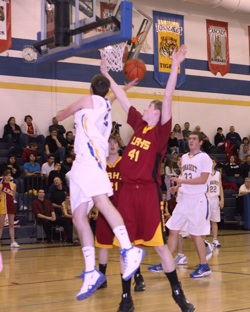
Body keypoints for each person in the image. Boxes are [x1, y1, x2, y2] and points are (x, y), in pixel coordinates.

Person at [101, 45, 194, 311]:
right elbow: (121, 96)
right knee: (125, 248)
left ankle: (179, 295)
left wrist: (175, 65)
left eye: (147, 109)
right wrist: (107, 75)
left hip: (147, 193)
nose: (143, 110)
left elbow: (167, 96)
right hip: (127, 193)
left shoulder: (160, 132)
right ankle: (125, 298)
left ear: (155, 112)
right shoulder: (140, 125)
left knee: (161, 247)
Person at [56, 73, 145, 301]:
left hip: (92, 160)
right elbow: (111, 98)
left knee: (101, 202)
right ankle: (90, 272)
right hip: (81, 165)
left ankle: (128, 248)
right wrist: (124, 86)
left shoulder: (89, 101)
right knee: (78, 217)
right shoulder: (104, 103)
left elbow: (60, 115)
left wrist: (63, 113)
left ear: (90, 88)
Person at [95, 135, 145, 292]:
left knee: (127, 245)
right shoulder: (100, 164)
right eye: (109, 142)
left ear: (119, 145)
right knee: (103, 245)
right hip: (105, 209)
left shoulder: (125, 162)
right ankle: (101, 278)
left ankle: (138, 277)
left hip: (123, 210)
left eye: (115, 142)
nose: (112, 145)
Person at [166, 131, 213, 278]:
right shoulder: (185, 157)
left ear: (200, 142)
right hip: (184, 199)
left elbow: (202, 179)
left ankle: (204, 266)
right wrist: (178, 187)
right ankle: (165, 263)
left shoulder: (205, 158)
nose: (191, 141)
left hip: (197, 200)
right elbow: (187, 176)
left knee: (196, 234)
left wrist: (181, 182)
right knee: (173, 230)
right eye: (189, 139)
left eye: (194, 139)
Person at [207, 157, 224, 248]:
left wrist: (222, 199)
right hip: (207, 198)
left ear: (215, 163)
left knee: (215, 220)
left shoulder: (218, 174)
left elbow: (220, 186)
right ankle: (204, 240)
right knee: (206, 221)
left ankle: (215, 239)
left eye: (213, 161)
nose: (211, 162)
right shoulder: (205, 174)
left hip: (215, 199)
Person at [0, 170, 20, 248]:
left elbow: (13, 196)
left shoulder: (13, 185)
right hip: (2, 205)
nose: (8, 177)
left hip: (11, 204)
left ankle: (13, 242)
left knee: (11, 224)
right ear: (4, 176)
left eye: (9, 175)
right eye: (7, 175)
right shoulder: (1, 185)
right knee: (1, 225)